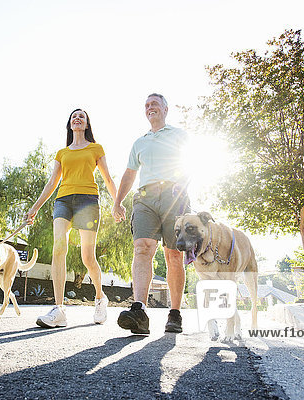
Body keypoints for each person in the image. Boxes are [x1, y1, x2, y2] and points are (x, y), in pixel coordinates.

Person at [25, 108, 117, 328]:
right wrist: (35, 207)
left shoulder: (96, 148)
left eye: (81, 117)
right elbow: (52, 182)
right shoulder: (62, 153)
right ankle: (59, 310)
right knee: (58, 248)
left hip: (88, 201)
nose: (77, 118)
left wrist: (117, 203)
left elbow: (107, 178)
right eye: (74, 116)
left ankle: (99, 298)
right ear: (69, 124)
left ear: (86, 125)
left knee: (87, 257)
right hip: (63, 201)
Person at [112, 93, 190, 334]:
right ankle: (139, 311)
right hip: (145, 198)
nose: (150, 107)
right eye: (146, 105)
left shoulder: (179, 135)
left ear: (166, 109)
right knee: (142, 247)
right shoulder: (140, 142)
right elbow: (129, 174)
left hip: (173, 195)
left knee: (174, 255)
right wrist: (117, 202)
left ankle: (175, 314)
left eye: (154, 103)